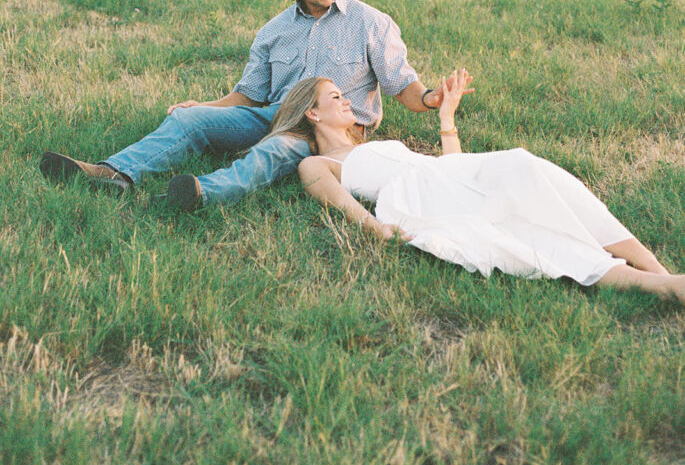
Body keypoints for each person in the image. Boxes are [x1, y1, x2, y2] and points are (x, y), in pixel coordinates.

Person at [40, 0, 449, 211]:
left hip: (330, 130)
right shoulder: (275, 31)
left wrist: (431, 98)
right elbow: (249, 95)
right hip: (273, 114)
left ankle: (201, 193)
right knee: (188, 120)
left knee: (274, 150)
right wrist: (205, 106)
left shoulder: (371, 22)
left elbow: (403, 87)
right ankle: (113, 174)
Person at [265, 73, 685, 301]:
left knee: (537, 176)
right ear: (313, 115)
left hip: (449, 178)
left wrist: (446, 118)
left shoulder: (373, 145)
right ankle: (663, 287)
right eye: (334, 97)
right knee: (532, 238)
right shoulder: (317, 164)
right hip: (418, 199)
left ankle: (657, 271)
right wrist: (379, 230)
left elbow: (454, 167)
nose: (345, 101)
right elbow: (342, 205)